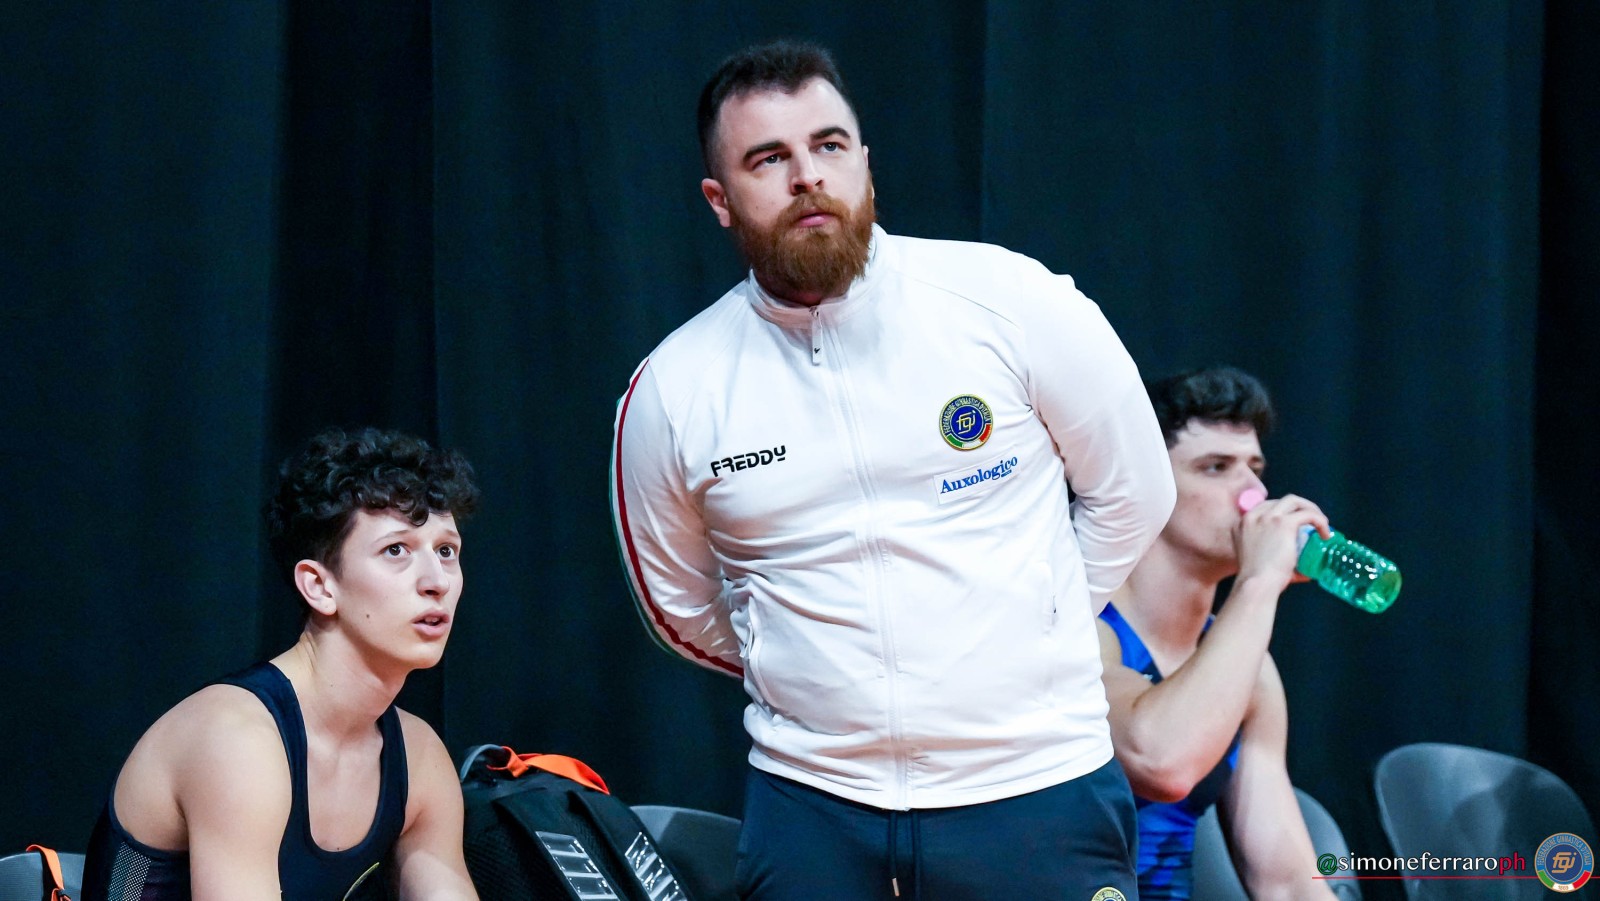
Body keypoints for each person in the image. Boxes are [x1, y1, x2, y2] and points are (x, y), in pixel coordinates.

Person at [611, 40, 1175, 900]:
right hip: (812, 806)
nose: (808, 176)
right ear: (720, 201)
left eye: (829, 145)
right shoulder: (674, 389)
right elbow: (679, 606)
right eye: (769, 158)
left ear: (865, 163)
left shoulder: (1010, 300)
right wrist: (798, 659)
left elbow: (1137, 490)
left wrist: (1039, 616)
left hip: (1038, 784)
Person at [81, 428, 482, 901]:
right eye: (396, 550)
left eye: (446, 551)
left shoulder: (419, 757)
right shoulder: (238, 739)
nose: (437, 581)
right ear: (319, 586)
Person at [1096, 367, 1338, 900]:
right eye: (1216, 467)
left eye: (1256, 468)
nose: (1255, 494)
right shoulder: (1084, 629)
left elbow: (1287, 883)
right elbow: (1160, 761)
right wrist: (1259, 581)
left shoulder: (1249, 669)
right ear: (1145, 486)